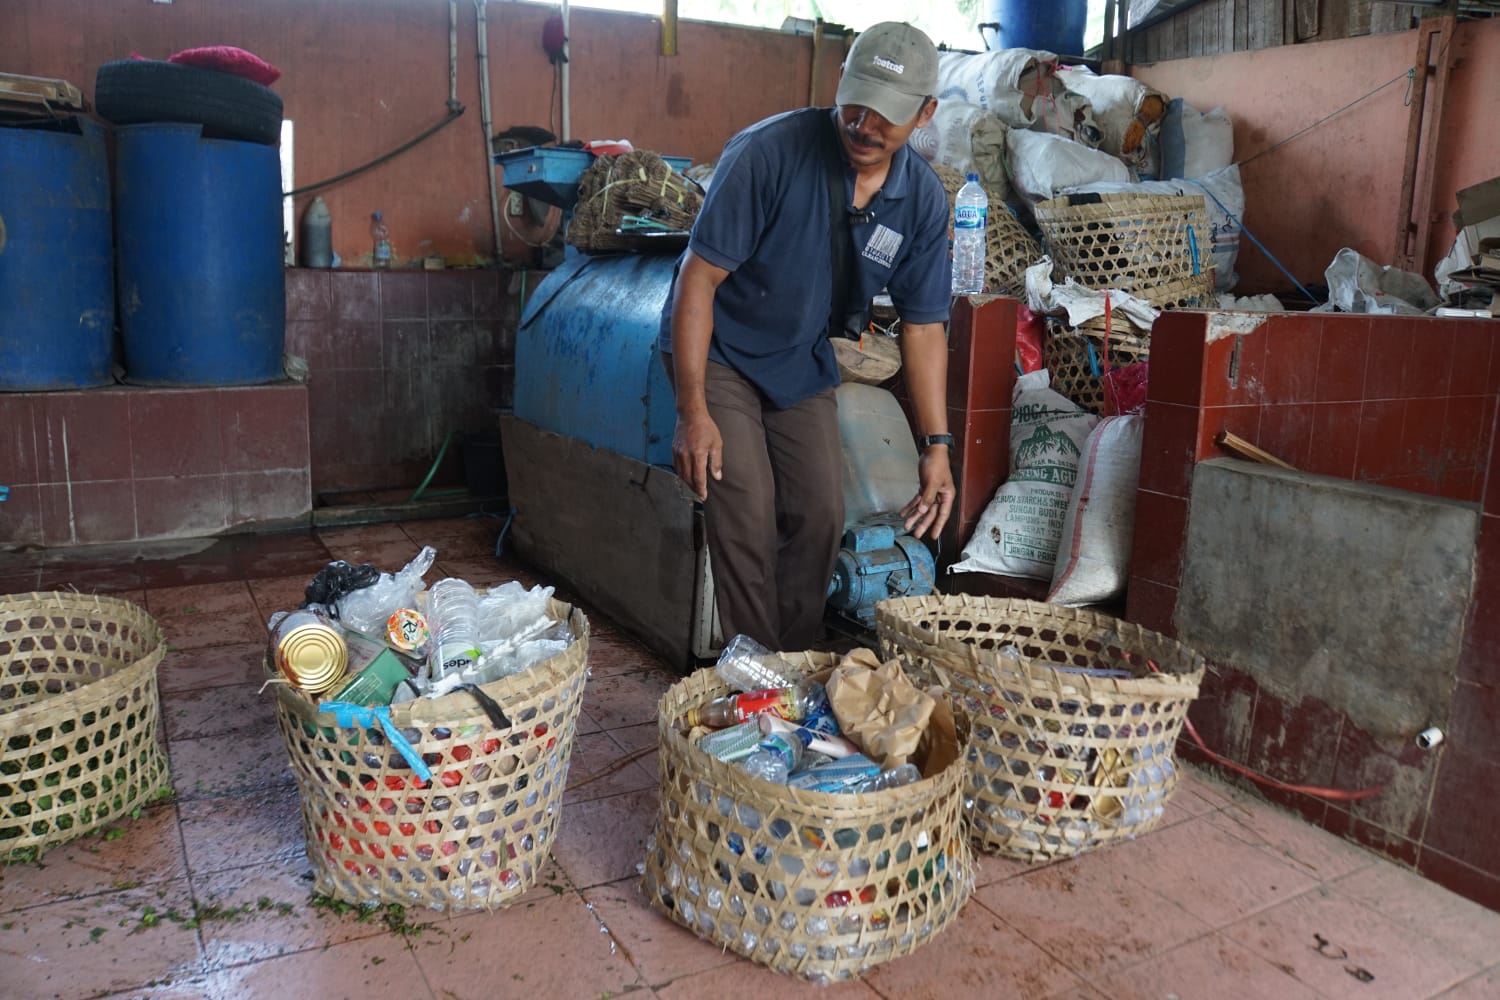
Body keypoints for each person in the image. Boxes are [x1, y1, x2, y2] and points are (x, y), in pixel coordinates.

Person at [659, 21, 956, 652]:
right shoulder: (769, 153)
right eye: (856, 103)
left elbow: (925, 326)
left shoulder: (922, 200)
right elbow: (698, 280)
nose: (865, 125)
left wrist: (937, 444)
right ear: (839, 87)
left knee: (820, 515)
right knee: (745, 511)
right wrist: (692, 411)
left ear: (926, 113)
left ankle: (791, 670)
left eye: (888, 115)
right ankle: (753, 680)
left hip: (799, 358)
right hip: (720, 350)